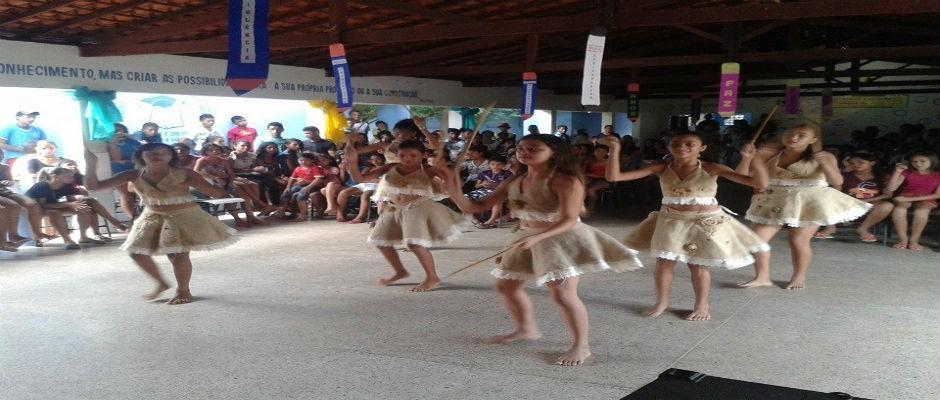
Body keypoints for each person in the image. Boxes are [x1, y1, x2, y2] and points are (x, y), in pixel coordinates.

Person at [442, 134, 641, 366]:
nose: (524, 152)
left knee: (562, 293)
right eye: (520, 148)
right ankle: (526, 329)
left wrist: (539, 238)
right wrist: (452, 187)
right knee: (506, 285)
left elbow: (569, 218)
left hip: (561, 237)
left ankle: (581, 345)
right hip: (526, 235)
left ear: (554, 152)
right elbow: (475, 206)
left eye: (533, 148)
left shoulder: (566, 180)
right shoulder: (515, 181)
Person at [601, 133, 770, 321]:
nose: (682, 147)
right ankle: (661, 301)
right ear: (669, 147)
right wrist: (614, 149)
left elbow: (758, 183)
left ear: (702, 148)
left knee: (697, 265)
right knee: (663, 264)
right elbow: (614, 176)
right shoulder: (661, 167)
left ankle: (702, 304)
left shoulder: (712, 168)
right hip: (671, 221)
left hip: (704, 222)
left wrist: (755, 159)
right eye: (676, 144)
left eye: (690, 144)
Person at [84, 144, 236, 304]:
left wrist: (221, 185)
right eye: (152, 152)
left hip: (184, 216)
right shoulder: (133, 174)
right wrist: (91, 163)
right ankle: (161, 283)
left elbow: (215, 193)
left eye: (164, 152)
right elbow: (93, 186)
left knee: (178, 254)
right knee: (136, 253)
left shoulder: (184, 173)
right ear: (141, 155)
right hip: (152, 215)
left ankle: (183, 290)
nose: (158, 155)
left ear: (171, 157)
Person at [737, 123, 872, 290]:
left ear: (813, 139)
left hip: (808, 201)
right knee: (756, 240)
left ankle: (799, 276)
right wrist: (747, 158)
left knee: (798, 240)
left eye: (801, 135)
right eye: (790, 133)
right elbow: (743, 177)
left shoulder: (824, 156)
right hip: (774, 199)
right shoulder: (771, 155)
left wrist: (826, 164)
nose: (793, 137)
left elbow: (837, 181)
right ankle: (762, 277)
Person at [344, 137, 465, 292]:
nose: (407, 159)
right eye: (402, 156)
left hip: (418, 208)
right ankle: (400, 271)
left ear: (423, 155)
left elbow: (456, 186)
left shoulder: (429, 170)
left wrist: (449, 172)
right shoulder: (391, 166)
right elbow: (359, 178)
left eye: (413, 156)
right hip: (393, 208)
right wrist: (353, 162)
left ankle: (432, 277)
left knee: (415, 244)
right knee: (380, 241)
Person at [26, 167, 126, 248]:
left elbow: (72, 197)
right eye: (68, 176)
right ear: (55, 176)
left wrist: (79, 198)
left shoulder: (65, 185)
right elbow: (42, 205)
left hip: (53, 206)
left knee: (86, 203)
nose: (72, 178)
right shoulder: (42, 185)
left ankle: (85, 236)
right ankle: (67, 240)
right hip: (35, 209)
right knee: (54, 212)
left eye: (72, 176)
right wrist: (69, 204)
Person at [815, 152, 895, 241]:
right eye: (853, 163)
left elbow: (888, 195)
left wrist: (868, 200)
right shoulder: (845, 175)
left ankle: (863, 229)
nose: (856, 165)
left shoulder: (882, 176)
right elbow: (835, 190)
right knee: (828, 199)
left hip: (872, 203)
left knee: (887, 206)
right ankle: (830, 227)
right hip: (848, 202)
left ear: (872, 163)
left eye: (861, 162)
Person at [886, 151, 940, 251]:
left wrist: (908, 199)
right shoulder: (907, 172)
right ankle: (903, 240)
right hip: (905, 196)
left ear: (932, 161)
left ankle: (914, 241)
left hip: (927, 198)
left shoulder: (938, 175)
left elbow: (937, 195)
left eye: (922, 161)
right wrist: (897, 171)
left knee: (921, 211)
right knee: (899, 209)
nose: (918, 164)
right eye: (915, 161)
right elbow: (891, 188)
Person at [275, 152, 325, 221]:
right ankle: (281, 212)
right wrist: (288, 187)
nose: (303, 162)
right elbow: (292, 179)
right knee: (286, 193)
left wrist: (308, 187)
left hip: (312, 186)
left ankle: (303, 215)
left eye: (306, 160)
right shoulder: (298, 169)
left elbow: (318, 180)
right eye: (301, 160)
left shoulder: (315, 168)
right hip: (300, 186)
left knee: (301, 195)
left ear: (312, 160)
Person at [465, 156, 513, 228]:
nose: (495, 166)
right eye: (493, 164)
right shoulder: (484, 173)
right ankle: (472, 218)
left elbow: (509, 186)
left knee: (497, 199)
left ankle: (491, 221)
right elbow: (476, 186)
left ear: (504, 165)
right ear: (489, 164)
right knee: (465, 197)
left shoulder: (507, 173)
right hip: (484, 191)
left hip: (500, 191)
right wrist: (483, 184)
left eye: (498, 164)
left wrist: (496, 185)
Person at [336, 153, 384, 223]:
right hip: (364, 184)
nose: (375, 161)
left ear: (383, 159)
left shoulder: (387, 167)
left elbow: (385, 180)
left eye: (378, 159)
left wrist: (373, 180)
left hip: (377, 185)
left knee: (365, 195)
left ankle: (361, 217)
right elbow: (359, 179)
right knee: (343, 193)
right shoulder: (369, 168)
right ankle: (341, 215)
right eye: (373, 160)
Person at [109, 124, 142, 220]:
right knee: (126, 195)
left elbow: (142, 155)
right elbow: (115, 159)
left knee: (141, 194)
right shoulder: (108, 143)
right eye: (116, 132)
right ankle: (133, 219)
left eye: (122, 131)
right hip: (118, 172)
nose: (119, 133)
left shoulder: (134, 142)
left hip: (137, 171)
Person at [583, 144, 610, 209]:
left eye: (603, 151)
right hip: (590, 179)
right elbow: (583, 171)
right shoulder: (590, 161)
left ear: (607, 153)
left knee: (590, 190)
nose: (600, 153)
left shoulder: (609, 162)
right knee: (580, 188)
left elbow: (610, 175)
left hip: (605, 180)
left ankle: (591, 205)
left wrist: (595, 176)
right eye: (598, 151)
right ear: (594, 152)